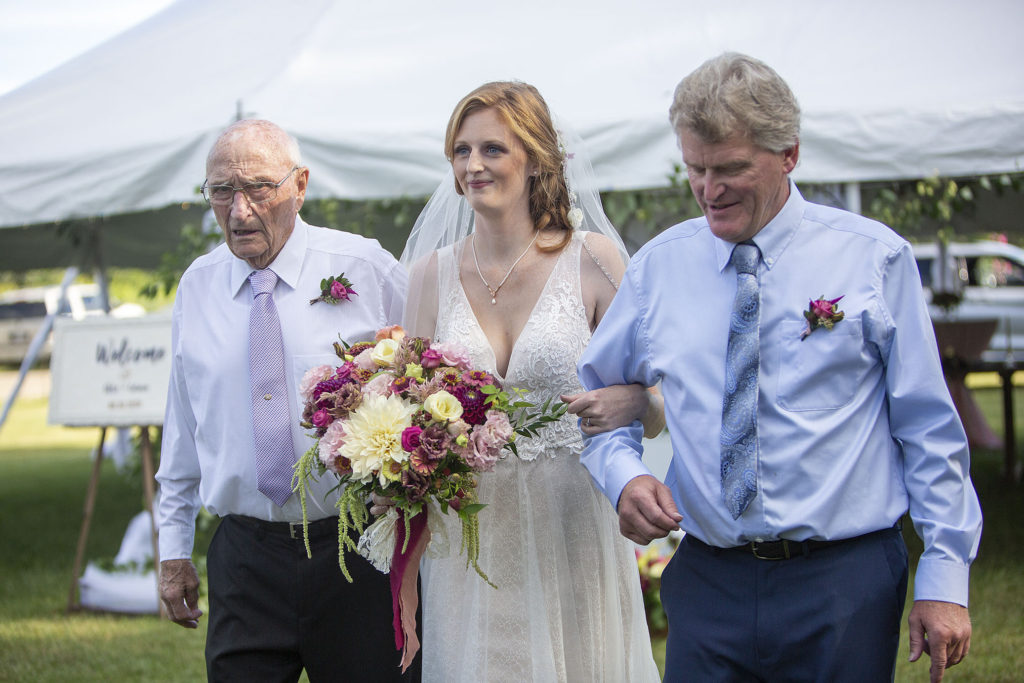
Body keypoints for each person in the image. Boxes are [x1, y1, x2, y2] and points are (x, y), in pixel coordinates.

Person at [578, 53, 983, 683]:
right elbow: (598, 396)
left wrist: (945, 575)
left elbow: (928, 428)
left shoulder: (873, 260)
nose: (710, 191)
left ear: (788, 154)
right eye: (695, 169)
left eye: (732, 169)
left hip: (844, 584)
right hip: (708, 579)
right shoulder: (660, 268)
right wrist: (626, 477)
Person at [400, 81, 662, 682]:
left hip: (574, 528)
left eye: (492, 149)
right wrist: (405, 578)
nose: (472, 166)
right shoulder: (426, 278)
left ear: (537, 156)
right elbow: (407, 434)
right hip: (469, 543)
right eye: (461, 151)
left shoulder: (594, 261)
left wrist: (633, 401)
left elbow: (659, 405)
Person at [156, 119, 413, 681]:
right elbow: (182, 424)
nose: (240, 210)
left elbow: (425, 378)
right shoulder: (197, 286)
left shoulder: (366, 269)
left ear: (300, 185)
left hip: (357, 553)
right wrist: (173, 548)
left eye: (258, 188)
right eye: (222, 191)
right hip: (245, 559)